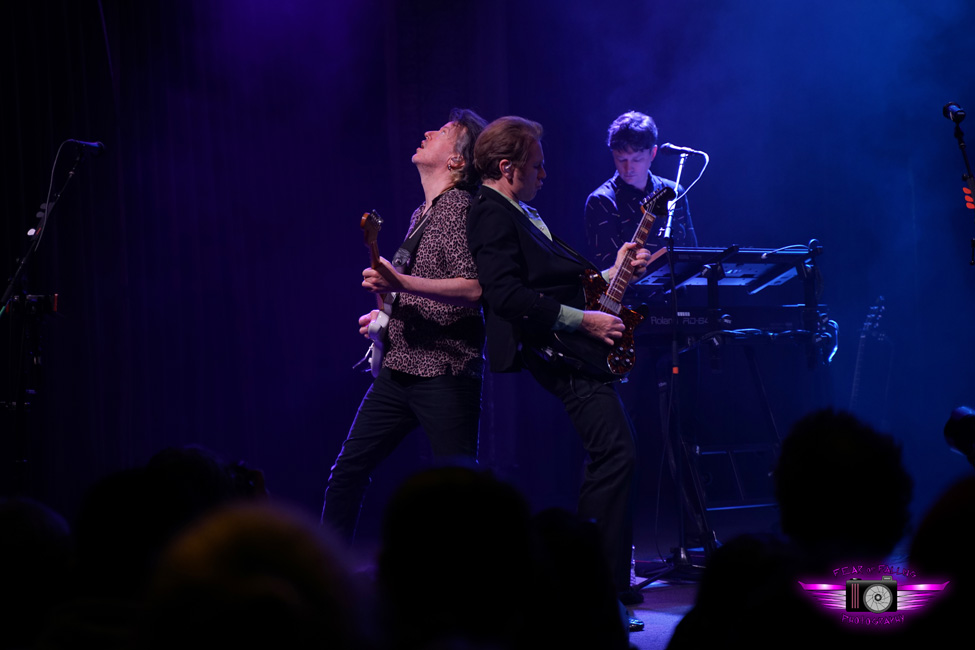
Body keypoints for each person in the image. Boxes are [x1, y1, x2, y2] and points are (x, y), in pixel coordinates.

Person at [466, 115, 651, 603]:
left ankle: (605, 582)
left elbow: (560, 280)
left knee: (616, 452)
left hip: (567, 344)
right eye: (537, 166)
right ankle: (595, 587)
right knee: (615, 452)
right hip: (556, 349)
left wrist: (615, 270)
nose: (544, 174)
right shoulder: (491, 212)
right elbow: (505, 295)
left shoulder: (520, 211)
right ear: (507, 168)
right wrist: (584, 321)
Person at [322, 108, 488, 544]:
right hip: (400, 370)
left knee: (460, 494)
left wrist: (400, 283)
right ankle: (327, 570)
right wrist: (384, 317)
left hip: (444, 372)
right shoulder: (422, 213)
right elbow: (414, 291)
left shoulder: (458, 208)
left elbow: (475, 289)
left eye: (444, 131)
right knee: (348, 471)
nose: (429, 131)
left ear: (457, 160)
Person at [585, 110, 697, 269]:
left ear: (653, 153)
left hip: (679, 285)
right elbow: (605, 269)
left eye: (637, 159)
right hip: (631, 286)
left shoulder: (674, 191)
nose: (628, 168)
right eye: (621, 159)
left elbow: (692, 253)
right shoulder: (601, 201)